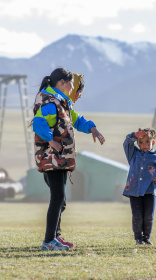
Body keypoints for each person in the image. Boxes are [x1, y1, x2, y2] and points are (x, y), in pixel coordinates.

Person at [33, 68, 105, 251]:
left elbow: (76, 120)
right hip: (52, 158)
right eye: (71, 83)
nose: (73, 86)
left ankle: (55, 237)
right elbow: (38, 123)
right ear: (62, 83)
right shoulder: (50, 102)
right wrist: (50, 140)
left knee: (60, 199)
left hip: (60, 159)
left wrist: (92, 128)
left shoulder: (62, 103)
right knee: (58, 197)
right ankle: (48, 241)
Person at [123, 128, 156, 245]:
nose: (144, 145)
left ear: (153, 142)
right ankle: (138, 238)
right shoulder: (133, 153)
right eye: (140, 142)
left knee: (148, 216)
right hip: (134, 191)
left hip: (150, 191)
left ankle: (146, 238)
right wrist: (134, 135)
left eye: (147, 142)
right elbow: (127, 142)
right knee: (137, 215)